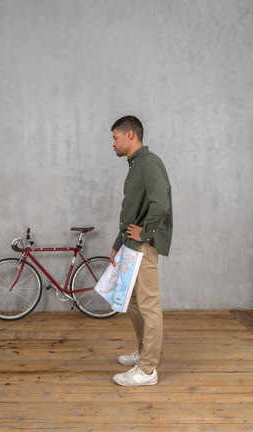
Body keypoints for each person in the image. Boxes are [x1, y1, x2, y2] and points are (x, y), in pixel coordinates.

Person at [110, 115, 173, 386]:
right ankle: (143, 353)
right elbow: (132, 211)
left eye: (115, 137)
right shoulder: (135, 165)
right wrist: (116, 245)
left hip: (144, 246)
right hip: (131, 245)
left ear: (130, 135)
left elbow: (161, 205)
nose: (113, 143)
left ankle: (147, 370)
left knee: (148, 305)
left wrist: (145, 233)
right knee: (134, 302)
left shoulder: (149, 163)